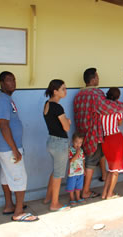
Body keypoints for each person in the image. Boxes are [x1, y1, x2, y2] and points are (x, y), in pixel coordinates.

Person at [0, 71, 38, 222]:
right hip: (9, 148)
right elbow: (3, 125)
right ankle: (18, 213)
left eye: (14, 79)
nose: (13, 82)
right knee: (20, 178)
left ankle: (9, 205)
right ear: (2, 83)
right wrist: (14, 149)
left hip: (6, 147)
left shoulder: (6, 99)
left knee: (6, 176)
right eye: (9, 80)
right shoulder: (2, 101)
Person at [74, 68, 123, 199]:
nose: (99, 79)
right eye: (97, 77)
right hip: (94, 134)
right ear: (93, 79)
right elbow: (107, 108)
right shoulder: (96, 94)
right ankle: (85, 191)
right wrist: (122, 108)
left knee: (93, 159)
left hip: (81, 133)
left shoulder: (78, 95)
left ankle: (103, 177)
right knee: (92, 163)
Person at [42, 79, 71, 212]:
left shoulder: (47, 104)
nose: (65, 91)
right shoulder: (57, 107)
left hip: (51, 141)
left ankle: (48, 197)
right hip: (60, 143)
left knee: (55, 171)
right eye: (63, 89)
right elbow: (66, 127)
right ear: (55, 91)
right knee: (59, 174)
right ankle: (54, 203)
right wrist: (68, 122)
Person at [101, 87, 123, 199]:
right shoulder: (118, 111)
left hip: (105, 139)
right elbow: (120, 123)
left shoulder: (101, 112)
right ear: (118, 97)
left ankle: (104, 193)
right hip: (116, 138)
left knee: (111, 168)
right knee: (116, 169)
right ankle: (110, 193)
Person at [66, 133, 85, 206]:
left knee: (79, 186)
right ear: (73, 141)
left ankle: (78, 197)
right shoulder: (70, 150)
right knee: (71, 186)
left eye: (80, 142)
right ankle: (72, 198)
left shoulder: (81, 150)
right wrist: (77, 153)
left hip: (80, 172)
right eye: (76, 142)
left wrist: (84, 170)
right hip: (72, 173)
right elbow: (71, 160)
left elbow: (83, 160)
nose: (78, 144)